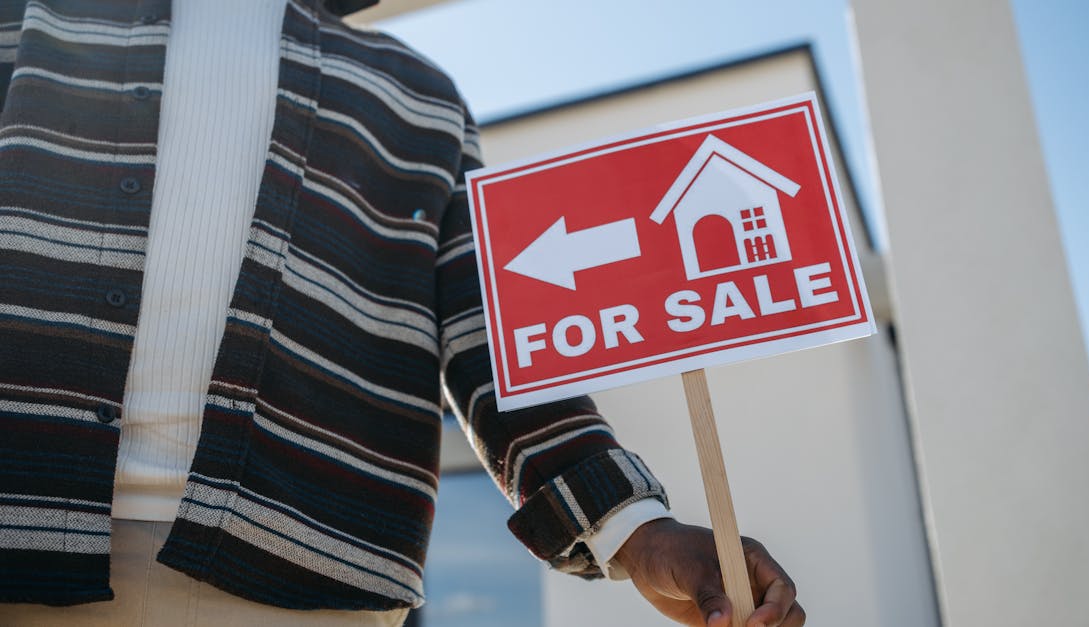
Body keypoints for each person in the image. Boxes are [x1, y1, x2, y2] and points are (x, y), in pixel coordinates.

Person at [0, 1, 805, 625]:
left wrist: (637, 526)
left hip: (304, 569)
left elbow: (493, 337)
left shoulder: (419, 97)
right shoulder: (26, 23)